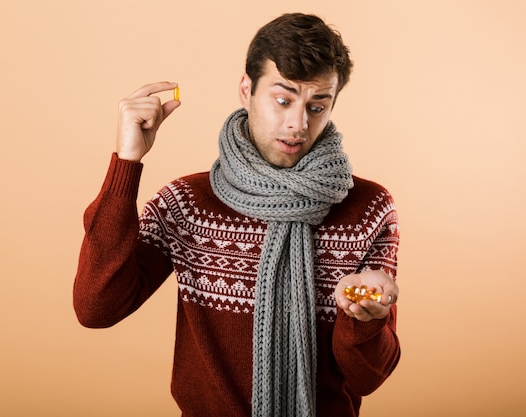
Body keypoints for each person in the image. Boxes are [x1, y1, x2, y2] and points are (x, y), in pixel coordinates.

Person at [74, 12, 400, 417]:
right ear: (246, 90)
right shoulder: (188, 203)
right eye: (283, 100)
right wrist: (127, 161)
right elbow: (96, 308)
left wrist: (365, 319)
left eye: (318, 106)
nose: (298, 124)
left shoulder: (368, 208)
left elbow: (371, 376)